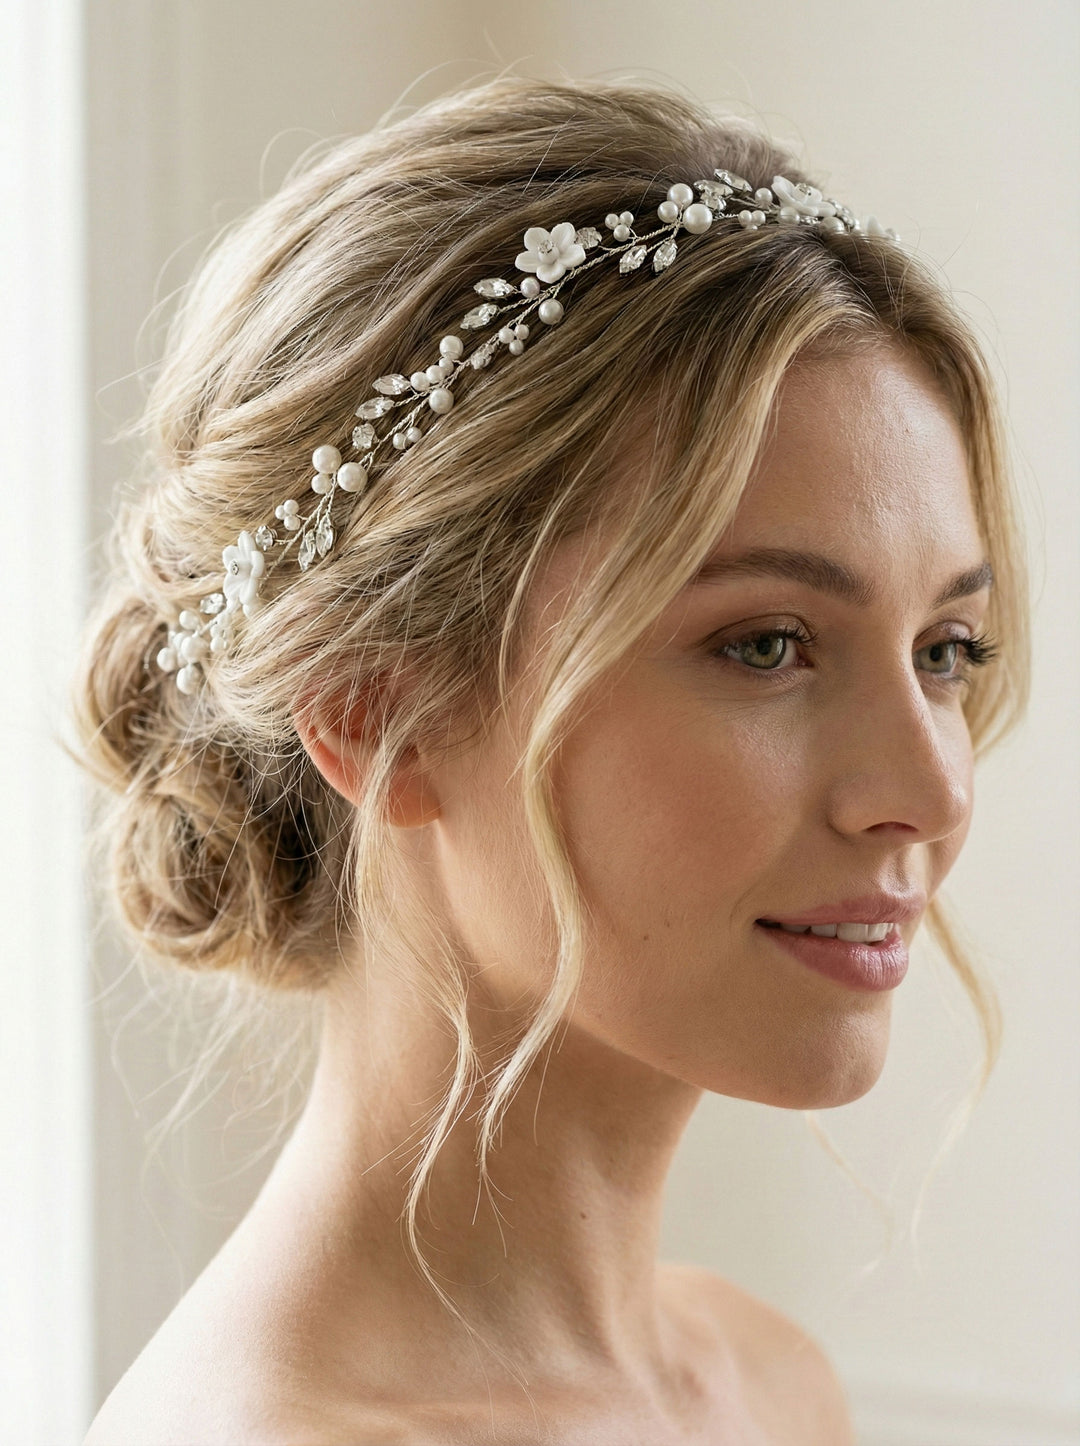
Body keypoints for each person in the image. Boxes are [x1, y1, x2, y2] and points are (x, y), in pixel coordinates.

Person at [74, 75, 1028, 1444]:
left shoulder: (766, 1386)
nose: (932, 792)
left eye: (947, 647)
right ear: (370, 709)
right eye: (767, 644)